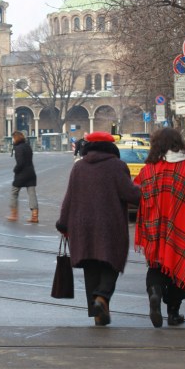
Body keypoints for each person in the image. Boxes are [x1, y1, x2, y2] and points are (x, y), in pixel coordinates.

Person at [56, 131, 140, 326]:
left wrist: (63, 222)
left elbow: (69, 197)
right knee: (112, 263)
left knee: (91, 267)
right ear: (111, 147)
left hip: (81, 225)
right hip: (110, 224)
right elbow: (129, 193)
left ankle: (98, 314)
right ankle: (102, 297)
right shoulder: (117, 166)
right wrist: (148, 194)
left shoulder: (79, 168)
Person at [134, 128, 185, 328]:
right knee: (180, 268)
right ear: (179, 144)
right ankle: (173, 312)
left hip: (156, 230)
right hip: (183, 229)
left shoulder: (149, 170)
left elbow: (137, 194)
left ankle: (155, 292)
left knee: (156, 266)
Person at [7, 131, 39, 223]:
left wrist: (15, 170)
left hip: (22, 174)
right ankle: (35, 216)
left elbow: (20, 163)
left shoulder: (18, 148)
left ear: (16, 138)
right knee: (32, 194)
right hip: (31, 173)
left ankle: (14, 215)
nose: (12, 140)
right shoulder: (27, 146)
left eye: (13, 138)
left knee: (14, 192)